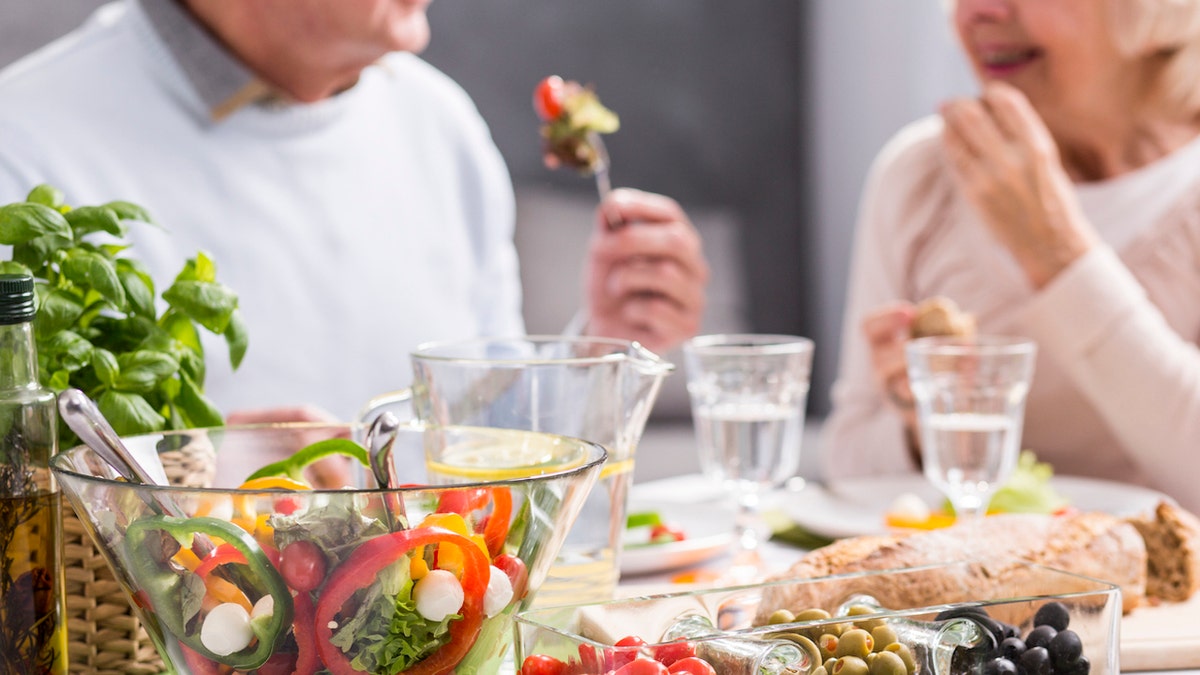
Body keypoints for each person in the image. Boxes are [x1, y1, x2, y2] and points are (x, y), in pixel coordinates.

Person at [0, 0, 709, 423]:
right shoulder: (23, 144)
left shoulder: (439, 122)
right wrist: (193, 482)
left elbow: (478, 438)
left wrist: (601, 349)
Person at [822, 0, 1200, 512]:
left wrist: (1058, 253)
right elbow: (847, 464)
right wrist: (921, 426)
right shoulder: (919, 175)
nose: (975, 11)